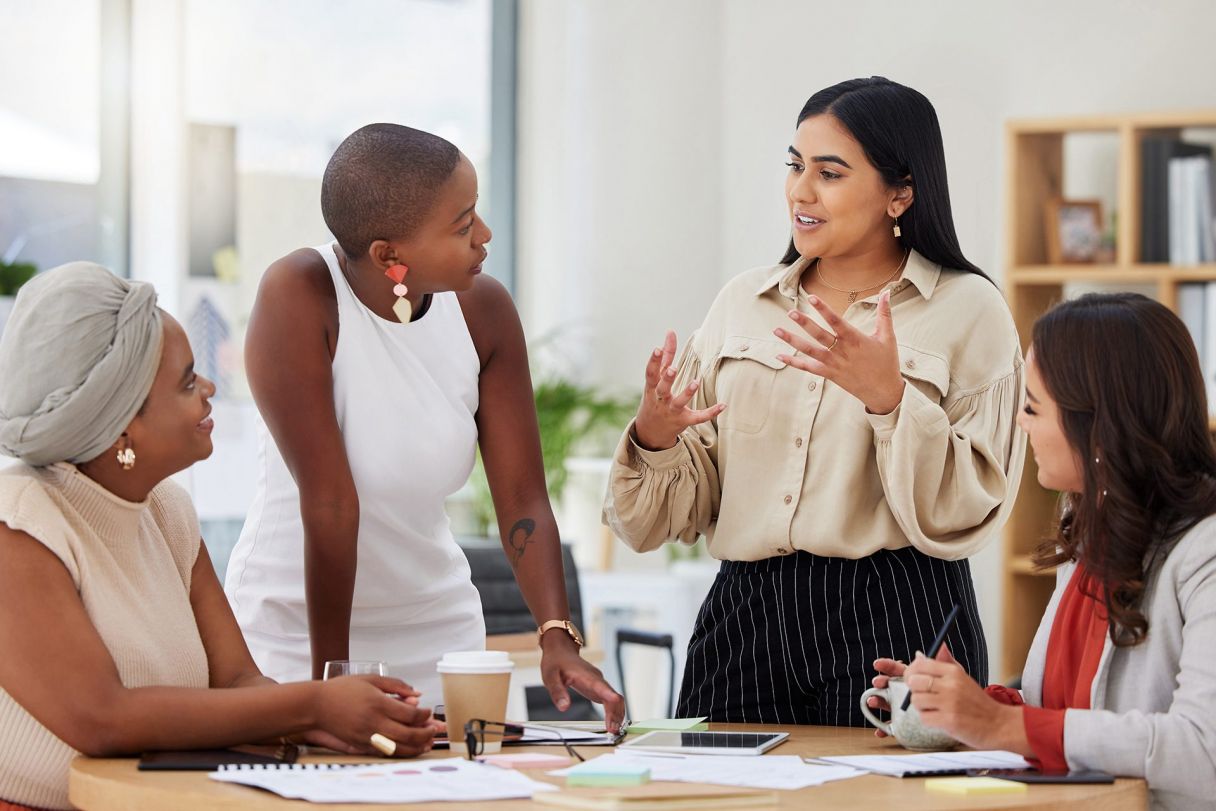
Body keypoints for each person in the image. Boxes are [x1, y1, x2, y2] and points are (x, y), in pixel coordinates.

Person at [604, 77, 1025, 726]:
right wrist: (656, 437)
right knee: (715, 799)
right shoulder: (742, 302)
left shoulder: (969, 310)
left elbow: (970, 507)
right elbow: (669, 516)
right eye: (796, 166)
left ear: (901, 192)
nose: (801, 191)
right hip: (745, 615)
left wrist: (890, 400)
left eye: (829, 173)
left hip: (897, 609)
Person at [224, 124, 624, 728]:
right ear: (390, 256)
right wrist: (330, 684)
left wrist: (556, 635)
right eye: (463, 226)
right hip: (297, 634)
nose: (484, 236)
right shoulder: (302, 294)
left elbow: (521, 496)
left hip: (440, 635)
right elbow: (331, 503)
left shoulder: (483, 311)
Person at [0, 263, 439, 811]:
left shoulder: (168, 513)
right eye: (187, 381)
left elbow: (236, 681)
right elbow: (101, 718)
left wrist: (331, 724)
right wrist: (314, 707)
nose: (209, 388)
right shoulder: (19, 523)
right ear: (121, 427)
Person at [872, 293, 1216, 811]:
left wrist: (1002, 725)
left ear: (1097, 423)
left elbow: (1202, 755)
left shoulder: (1203, 551)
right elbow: (1068, 713)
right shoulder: (1089, 527)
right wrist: (964, 712)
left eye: (1032, 406)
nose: (1019, 423)